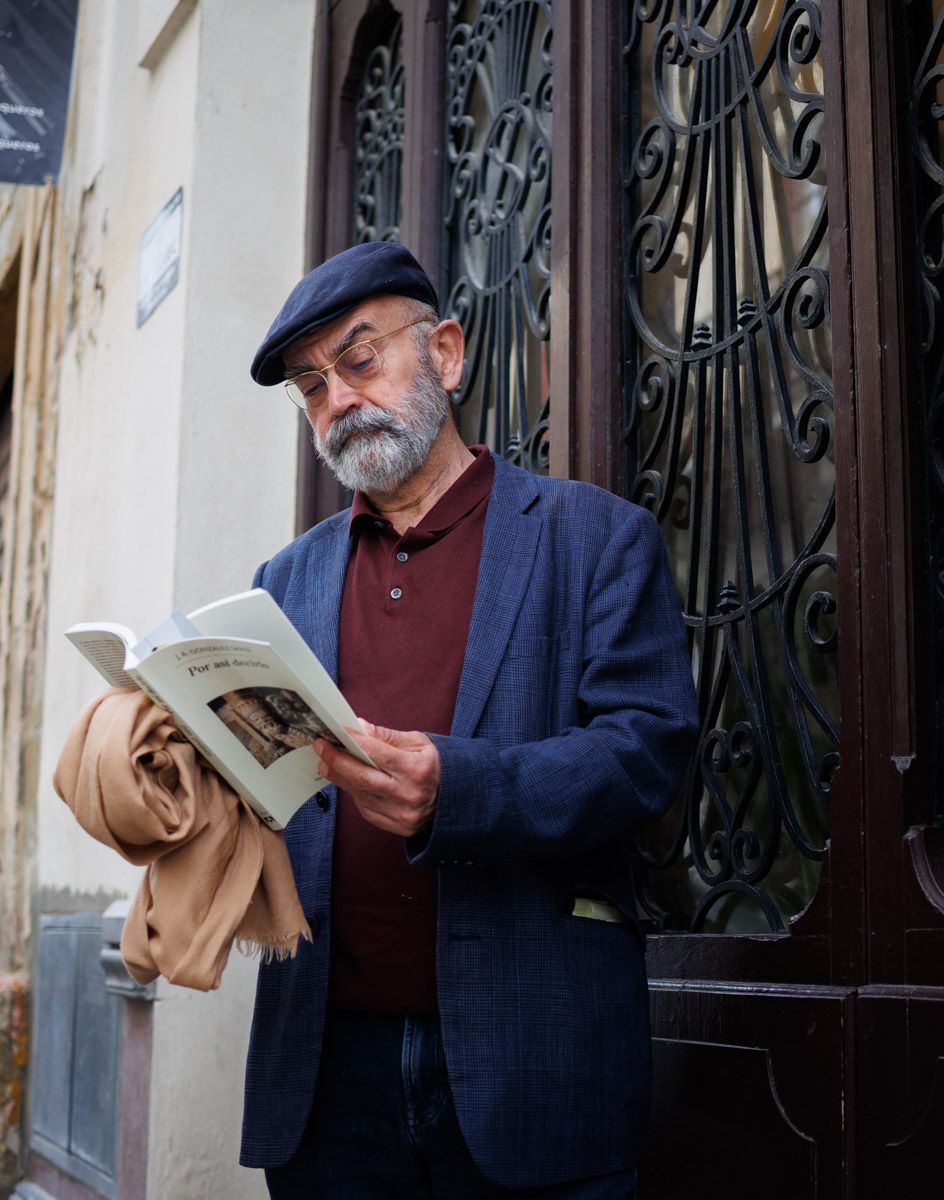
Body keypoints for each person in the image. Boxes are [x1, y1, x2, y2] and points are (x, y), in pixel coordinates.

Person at [238, 240, 699, 1199]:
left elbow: (644, 751)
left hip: (532, 1056)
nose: (338, 401)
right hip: (326, 1075)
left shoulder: (595, 537)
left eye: (359, 360)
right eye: (311, 388)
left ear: (445, 354)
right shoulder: (282, 584)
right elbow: (274, 793)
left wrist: (461, 789)